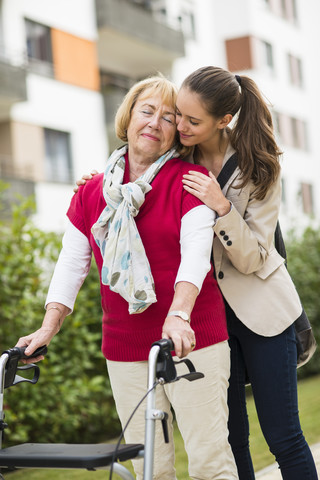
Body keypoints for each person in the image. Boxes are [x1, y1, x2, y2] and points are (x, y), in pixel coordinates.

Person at [76, 66, 318, 480]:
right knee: (230, 440)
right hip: (209, 322)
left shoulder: (259, 166)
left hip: (262, 313)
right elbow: (138, 178)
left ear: (223, 121)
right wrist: (101, 183)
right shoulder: (179, 157)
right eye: (178, 116)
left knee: (284, 436)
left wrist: (222, 208)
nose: (179, 126)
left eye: (192, 120)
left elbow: (256, 259)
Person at [16, 75, 239, 480]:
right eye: (147, 111)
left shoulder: (189, 183)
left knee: (209, 461)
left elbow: (195, 258)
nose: (155, 123)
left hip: (193, 338)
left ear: (178, 133)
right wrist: (48, 327)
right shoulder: (92, 192)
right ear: (129, 117)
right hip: (125, 345)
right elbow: (72, 263)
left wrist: (179, 315)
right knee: (149, 465)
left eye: (169, 118)